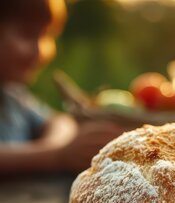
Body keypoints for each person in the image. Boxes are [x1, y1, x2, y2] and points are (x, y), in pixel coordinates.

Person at [0, 0, 122, 175]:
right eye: (26, 35)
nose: (39, 51)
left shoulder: (14, 96)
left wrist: (53, 149)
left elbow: (60, 121)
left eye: (46, 36)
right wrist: (54, 156)